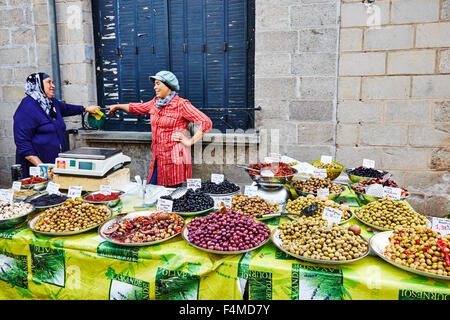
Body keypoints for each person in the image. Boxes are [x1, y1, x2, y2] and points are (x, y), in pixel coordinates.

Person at [107, 70, 212, 187]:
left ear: (168, 86)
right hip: (158, 157)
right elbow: (137, 107)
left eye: (158, 84)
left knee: (170, 195)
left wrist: (189, 141)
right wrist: (117, 106)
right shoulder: (155, 103)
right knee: (152, 191)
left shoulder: (181, 105)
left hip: (174, 160)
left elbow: (206, 122)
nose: (154, 87)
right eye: (154, 84)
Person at [13, 72, 100, 178]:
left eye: (53, 82)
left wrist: (85, 109)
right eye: (49, 82)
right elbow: (23, 144)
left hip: (54, 164)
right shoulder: (27, 107)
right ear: (38, 85)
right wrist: (43, 168)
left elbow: (67, 108)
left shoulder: (51, 103)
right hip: (37, 169)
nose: (53, 85)